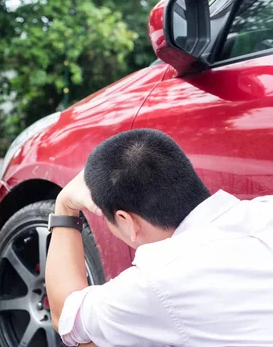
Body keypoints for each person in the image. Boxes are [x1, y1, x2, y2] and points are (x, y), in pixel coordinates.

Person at [46, 128, 273, 346]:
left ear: (126, 221)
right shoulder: (265, 208)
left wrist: (64, 206)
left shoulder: (155, 281)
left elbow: (65, 315)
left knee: (95, 340)